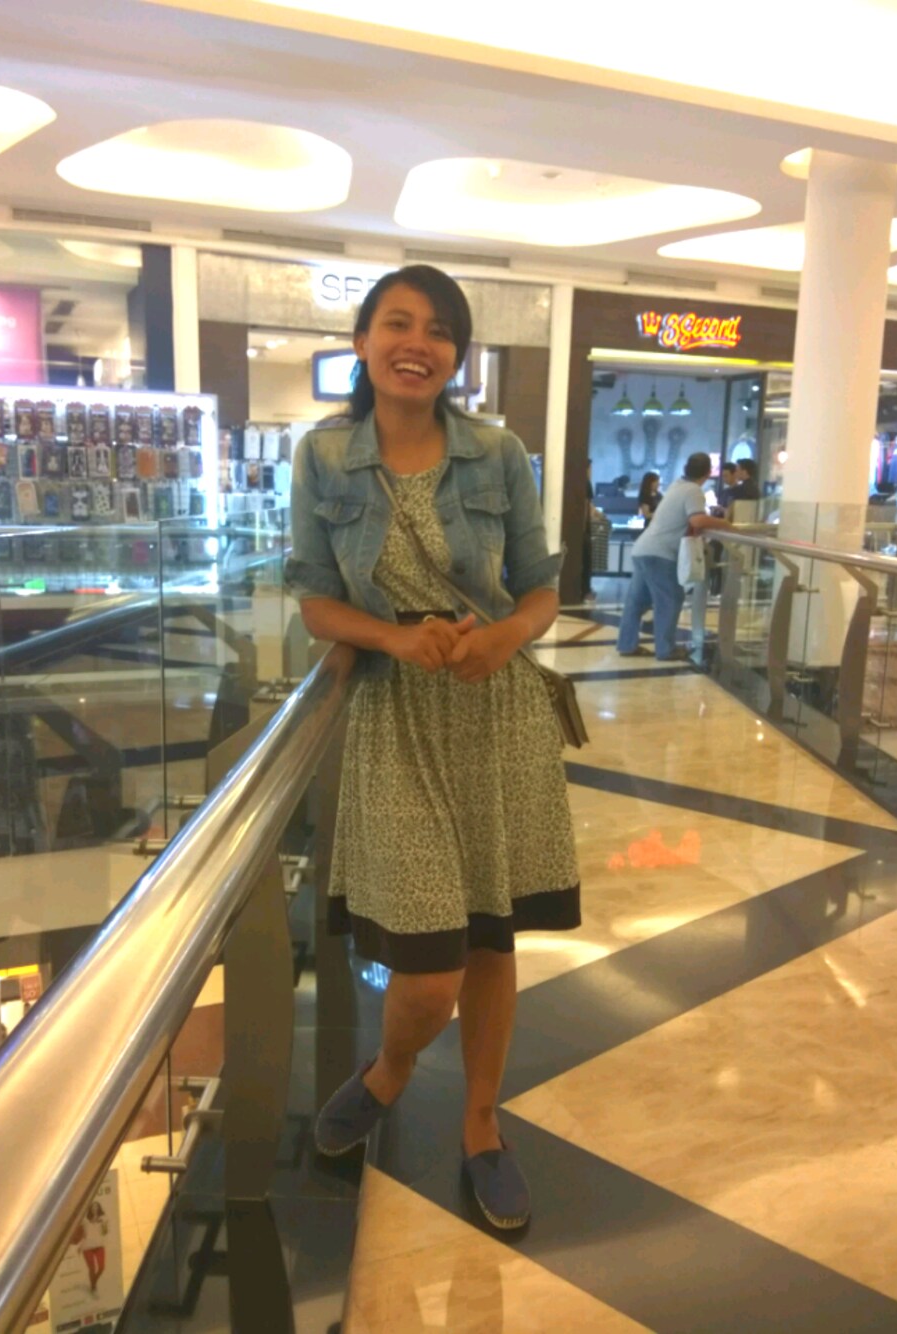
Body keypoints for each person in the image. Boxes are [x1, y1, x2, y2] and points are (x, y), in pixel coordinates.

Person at [286, 264, 579, 1231]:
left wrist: (505, 635)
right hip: (396, 721)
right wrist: (393, 636)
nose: (418, 343)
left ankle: (482, 1125)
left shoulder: (497, 452)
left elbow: (541, 584)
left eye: (440, 330)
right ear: (363, 341)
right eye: (398, 323)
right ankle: (390, 1069)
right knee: (429, 965)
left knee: (489, 935)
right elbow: (315, 596)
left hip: (495, 716)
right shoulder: (323, 457)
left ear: (457, 355)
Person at [617, 452, 731, 660]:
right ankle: (666, 649)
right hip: (660, 554)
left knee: (636, 602)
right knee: (670, 599)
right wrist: (726, 524)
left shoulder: (677, 485)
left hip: (643, 549)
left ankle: (626, 645)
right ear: (708, 473)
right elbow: (697, 520)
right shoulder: (693, 490)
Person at [582, 459, 602, 602]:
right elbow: (586, 505)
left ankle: (584, 590)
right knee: (586, 561)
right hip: (584, 529)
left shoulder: (579, 482)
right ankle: (586, 590)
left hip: (583, 528)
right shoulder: (586, 483)